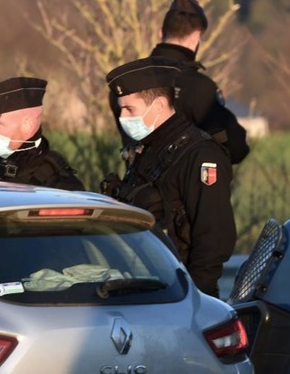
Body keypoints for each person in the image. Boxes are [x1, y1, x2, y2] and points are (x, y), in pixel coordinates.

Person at [101, 56, 237, 298]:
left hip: (179, 293)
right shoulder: (149, 149)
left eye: (129, 109)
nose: (123, 117)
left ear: (160, 105)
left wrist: (195, 298)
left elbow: (214, 237)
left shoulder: (200, 154)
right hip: (142, 286)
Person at [108, 0, 250, 164]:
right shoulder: (199, 88)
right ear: (196, 37)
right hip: (185, 188)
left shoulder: (128, 81)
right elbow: (236, 147)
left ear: (161, 33)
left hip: (134, 187)